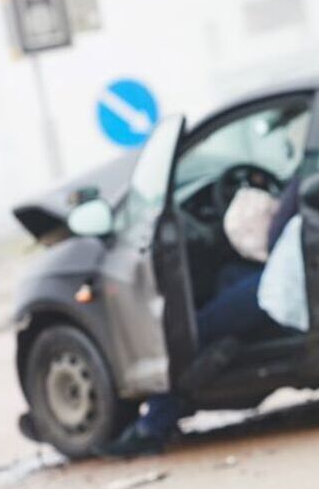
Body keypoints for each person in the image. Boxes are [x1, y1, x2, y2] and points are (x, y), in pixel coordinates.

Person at [98, 178, 306, 457]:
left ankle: (153, 426)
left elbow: (274, 237)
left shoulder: (311, 168)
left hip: (284, 279)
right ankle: (233, 343)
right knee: (227, 275)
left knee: (192, 331)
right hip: (286, 268)